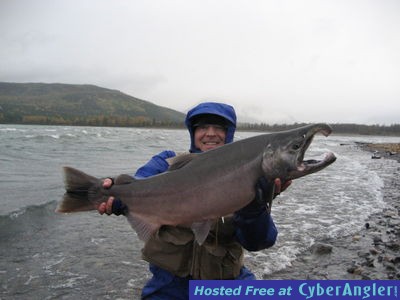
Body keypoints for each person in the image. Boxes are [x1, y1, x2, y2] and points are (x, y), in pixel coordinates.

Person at [98, 102, 291, 299]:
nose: (210, 133)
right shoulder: (166, 162)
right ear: (192, 131)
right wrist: (116, 190)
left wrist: (255, 208)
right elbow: (140, 181)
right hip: (168, 285)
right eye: (202, 127)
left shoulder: (248, 175)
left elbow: (258, 242)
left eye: (219, 128)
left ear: (229, 133)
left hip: (224, 283)